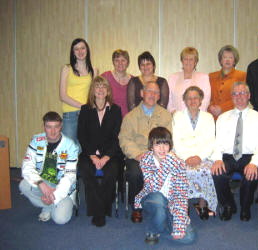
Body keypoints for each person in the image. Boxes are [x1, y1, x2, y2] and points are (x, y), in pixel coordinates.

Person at [211, 82, 258, 221]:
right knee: (217, 173)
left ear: (249, 96)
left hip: (249, 156)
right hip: (228, 156)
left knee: (251, 175)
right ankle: (228, 205)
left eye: (242, 93)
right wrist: (218, 159)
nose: (239, 96)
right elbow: (217, 141)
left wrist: (254, 163)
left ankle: (245, 207)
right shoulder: (223, 118)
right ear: (232, 97)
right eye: (235, 93)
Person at [119, 81, 172, 223]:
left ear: (159, 96)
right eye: (149, 91)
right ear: (142, 93)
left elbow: (168, 138)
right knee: (135, 173)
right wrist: (137, 154)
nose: (152, 95)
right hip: (137, 155)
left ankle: (163, 204)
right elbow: (124, 139)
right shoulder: (130, 116)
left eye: (156, 93)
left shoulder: (166, 116)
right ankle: (137, 208)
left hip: (160, 154)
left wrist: (157, 154)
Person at [135, 127, 196, 245]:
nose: (162, 149)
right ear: (151, 146)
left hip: (171, 203)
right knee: (158, 201)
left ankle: (161, 227)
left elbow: (180, 195)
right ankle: (152, 229)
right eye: (158, 145)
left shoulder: (178, 163)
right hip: (151, 198)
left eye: (165, 144)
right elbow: (152, 187)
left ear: (170, 145)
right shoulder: (146, 160)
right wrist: (166, 163)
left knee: (188, 238)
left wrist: (179, 225)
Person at [77, 76, 123, 227]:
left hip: (110, 155)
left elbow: (117, 137)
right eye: (97, 87)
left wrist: (106, 157)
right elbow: (81, 135)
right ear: (92, 91)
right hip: (89, 154)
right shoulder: (85, 109)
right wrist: (92, 156)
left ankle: (99, 210)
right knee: (86, 170)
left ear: (108, 90)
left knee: (111, 173)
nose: (101, 90)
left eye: (104, 87)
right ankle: (99, 211)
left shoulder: (116, 110)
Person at [19, 111, 79, 224]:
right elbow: (27, 166)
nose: (52, 131)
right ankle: (47, 205)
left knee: (61, 220)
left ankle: (49, 205)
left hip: (63, 188)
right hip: (44, 183)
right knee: (24, 185)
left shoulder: (71, 146)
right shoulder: (36, 141)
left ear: (61, 126)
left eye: (56, 127)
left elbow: (69, 176)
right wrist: (40, 183)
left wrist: (55, 196)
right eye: (49, 127)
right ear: (44, 127)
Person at [172, 86, 217, 220]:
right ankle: (183, 206)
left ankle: (202, 204)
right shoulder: (177, 116)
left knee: (207, 171)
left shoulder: (208, 117)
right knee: (181, 172)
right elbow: (175, 140)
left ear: (201, 100)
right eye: (189, 98)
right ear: (184, 101)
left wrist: (199, 157)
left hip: (202, 156)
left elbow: (211, 141)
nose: (192, 101)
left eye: (195, 98)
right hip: (182, 156)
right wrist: (186, 157)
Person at [59, 38, 99, 144]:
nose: (80, 51)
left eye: (82, 48)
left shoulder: (94, 70)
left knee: (85, 148)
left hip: (87, 114)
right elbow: (62, 96)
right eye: (76, 49)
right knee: (68, 148)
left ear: (87, 50)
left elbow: (95, 94)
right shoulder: (66, 69)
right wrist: (83, 106)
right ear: (73, 52)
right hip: (70, 114)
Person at [168, 47, 211, 113]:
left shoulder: (204, 77)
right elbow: (169, 101)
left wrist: (195, 114)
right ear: (182, 61)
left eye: (191, 59)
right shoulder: (172, 78)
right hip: (177, 118)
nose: (188, 62)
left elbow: (206, 100)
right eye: (185, 59)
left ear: (195, 62)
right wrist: (176, 114)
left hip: (198, 117)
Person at [208, 45, 246, 119]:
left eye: (230, 57)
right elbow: (207, 95)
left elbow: (241, 97)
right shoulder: (211, 76)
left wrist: (222, 108)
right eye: (225, 57)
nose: (227, 60)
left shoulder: (242, 75)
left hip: (232, 115)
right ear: (220, 60)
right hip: (213, 117)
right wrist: (210, 107)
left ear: (234, 60)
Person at [101, 49, 132, 117]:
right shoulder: (105, 77)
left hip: (128, 121)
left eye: (123, 60)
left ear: (128, 63)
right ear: (113, 62)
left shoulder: (133, 81)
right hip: (109, 119)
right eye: (117, 60)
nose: (120, 63)